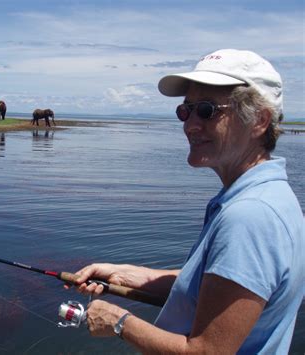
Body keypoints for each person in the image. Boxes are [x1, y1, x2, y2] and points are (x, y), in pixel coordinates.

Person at [68, 49, 304, 353]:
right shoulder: (270, 196)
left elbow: (207, 351)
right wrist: (127, 274)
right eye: (186, 110)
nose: (189, 124)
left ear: (259, 120)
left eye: (207, 110)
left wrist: (117, 321)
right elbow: (214, 285)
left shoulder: (250, 216)